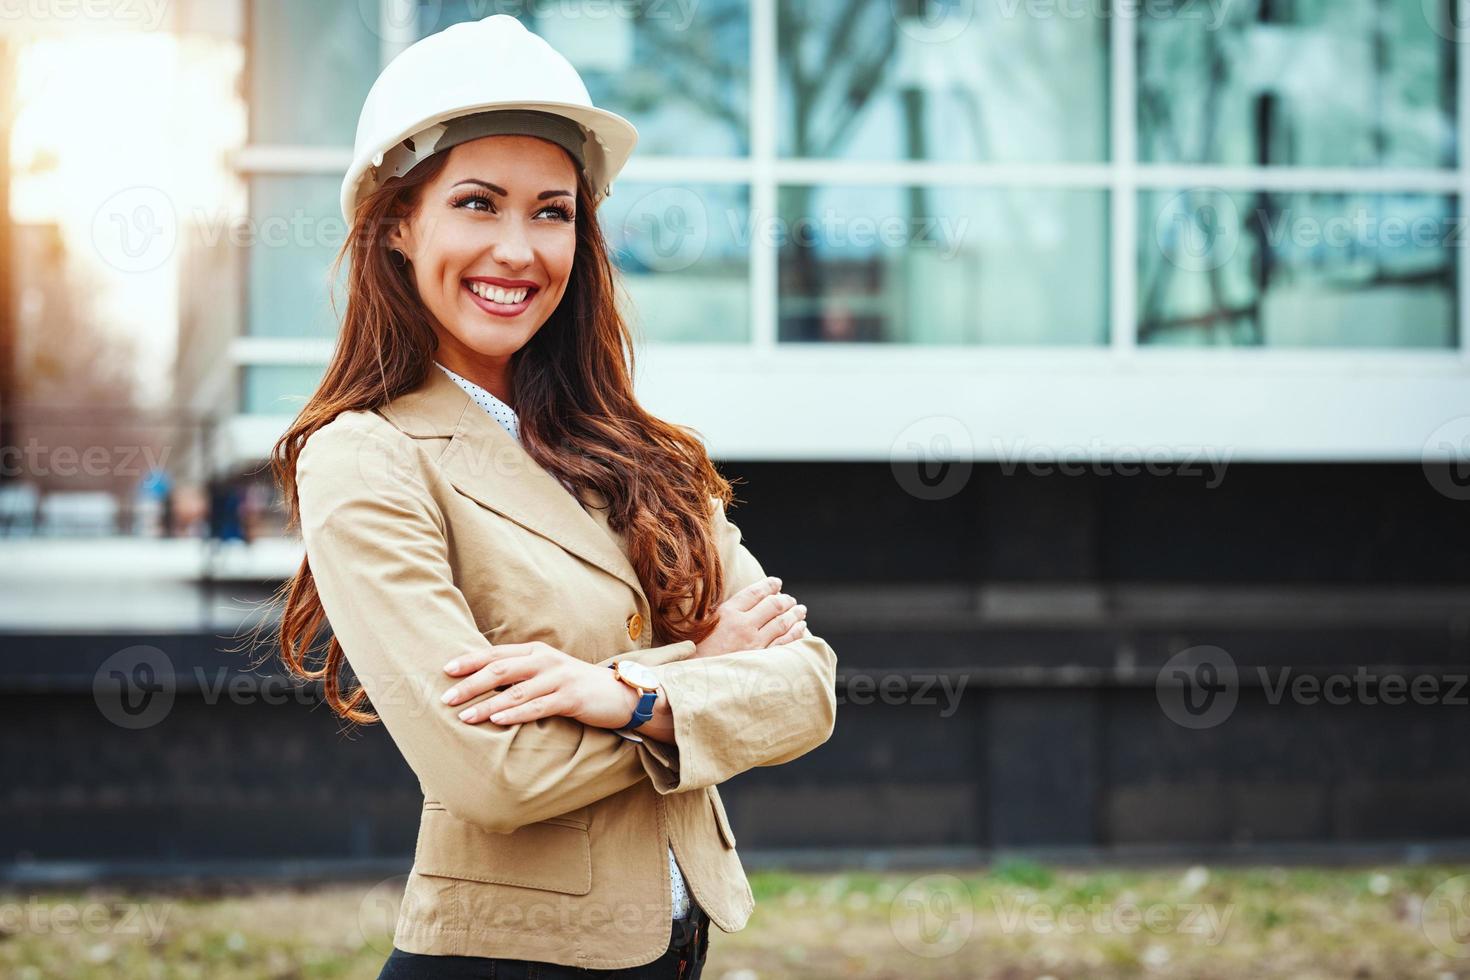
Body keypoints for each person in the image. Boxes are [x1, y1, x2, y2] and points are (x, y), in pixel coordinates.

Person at [266, 15, 838, 979]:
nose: (518, 250)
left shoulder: (639, 452)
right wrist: (685, 676)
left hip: (674, 950)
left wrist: (614, 692)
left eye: (551, 211)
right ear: (399, 224)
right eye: (478, 203)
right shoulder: (366, 459)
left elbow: (806, 688)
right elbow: (491, 774)